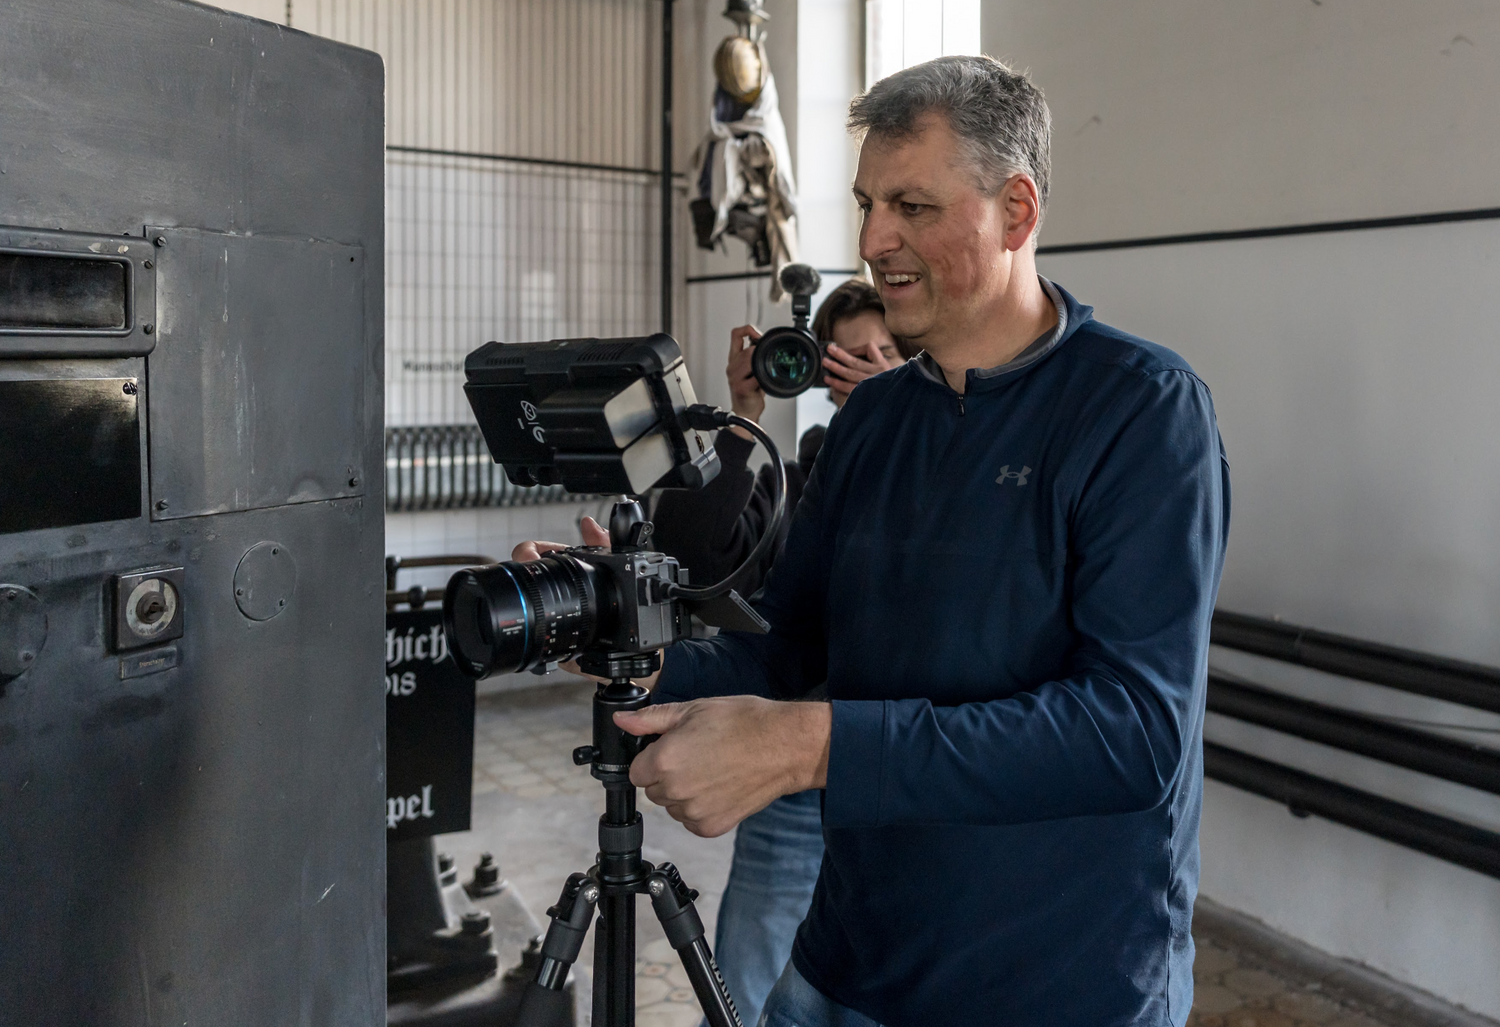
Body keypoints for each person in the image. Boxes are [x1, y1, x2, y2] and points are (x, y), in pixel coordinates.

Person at [522, 55, 1229, 1027]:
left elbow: (1131, 733)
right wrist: (627, 649)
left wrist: (815, 745)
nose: (872, 240)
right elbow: (789, 645)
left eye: (911, 206)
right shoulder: (871, 422)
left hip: (1056, 988)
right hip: (847, 966)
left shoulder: (1140, 412)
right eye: (865, 204)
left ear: (1016, 212)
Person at [648, 279, 915, 1027]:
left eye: (890, 354)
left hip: (900, 773)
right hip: (788, 781)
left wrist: (905, 408)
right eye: (853, 358)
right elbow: (692, 555)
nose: (873, 367)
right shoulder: (802, 479)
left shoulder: (946, 470)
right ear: (823, 375)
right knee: (747, 974)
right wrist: (742, 421)